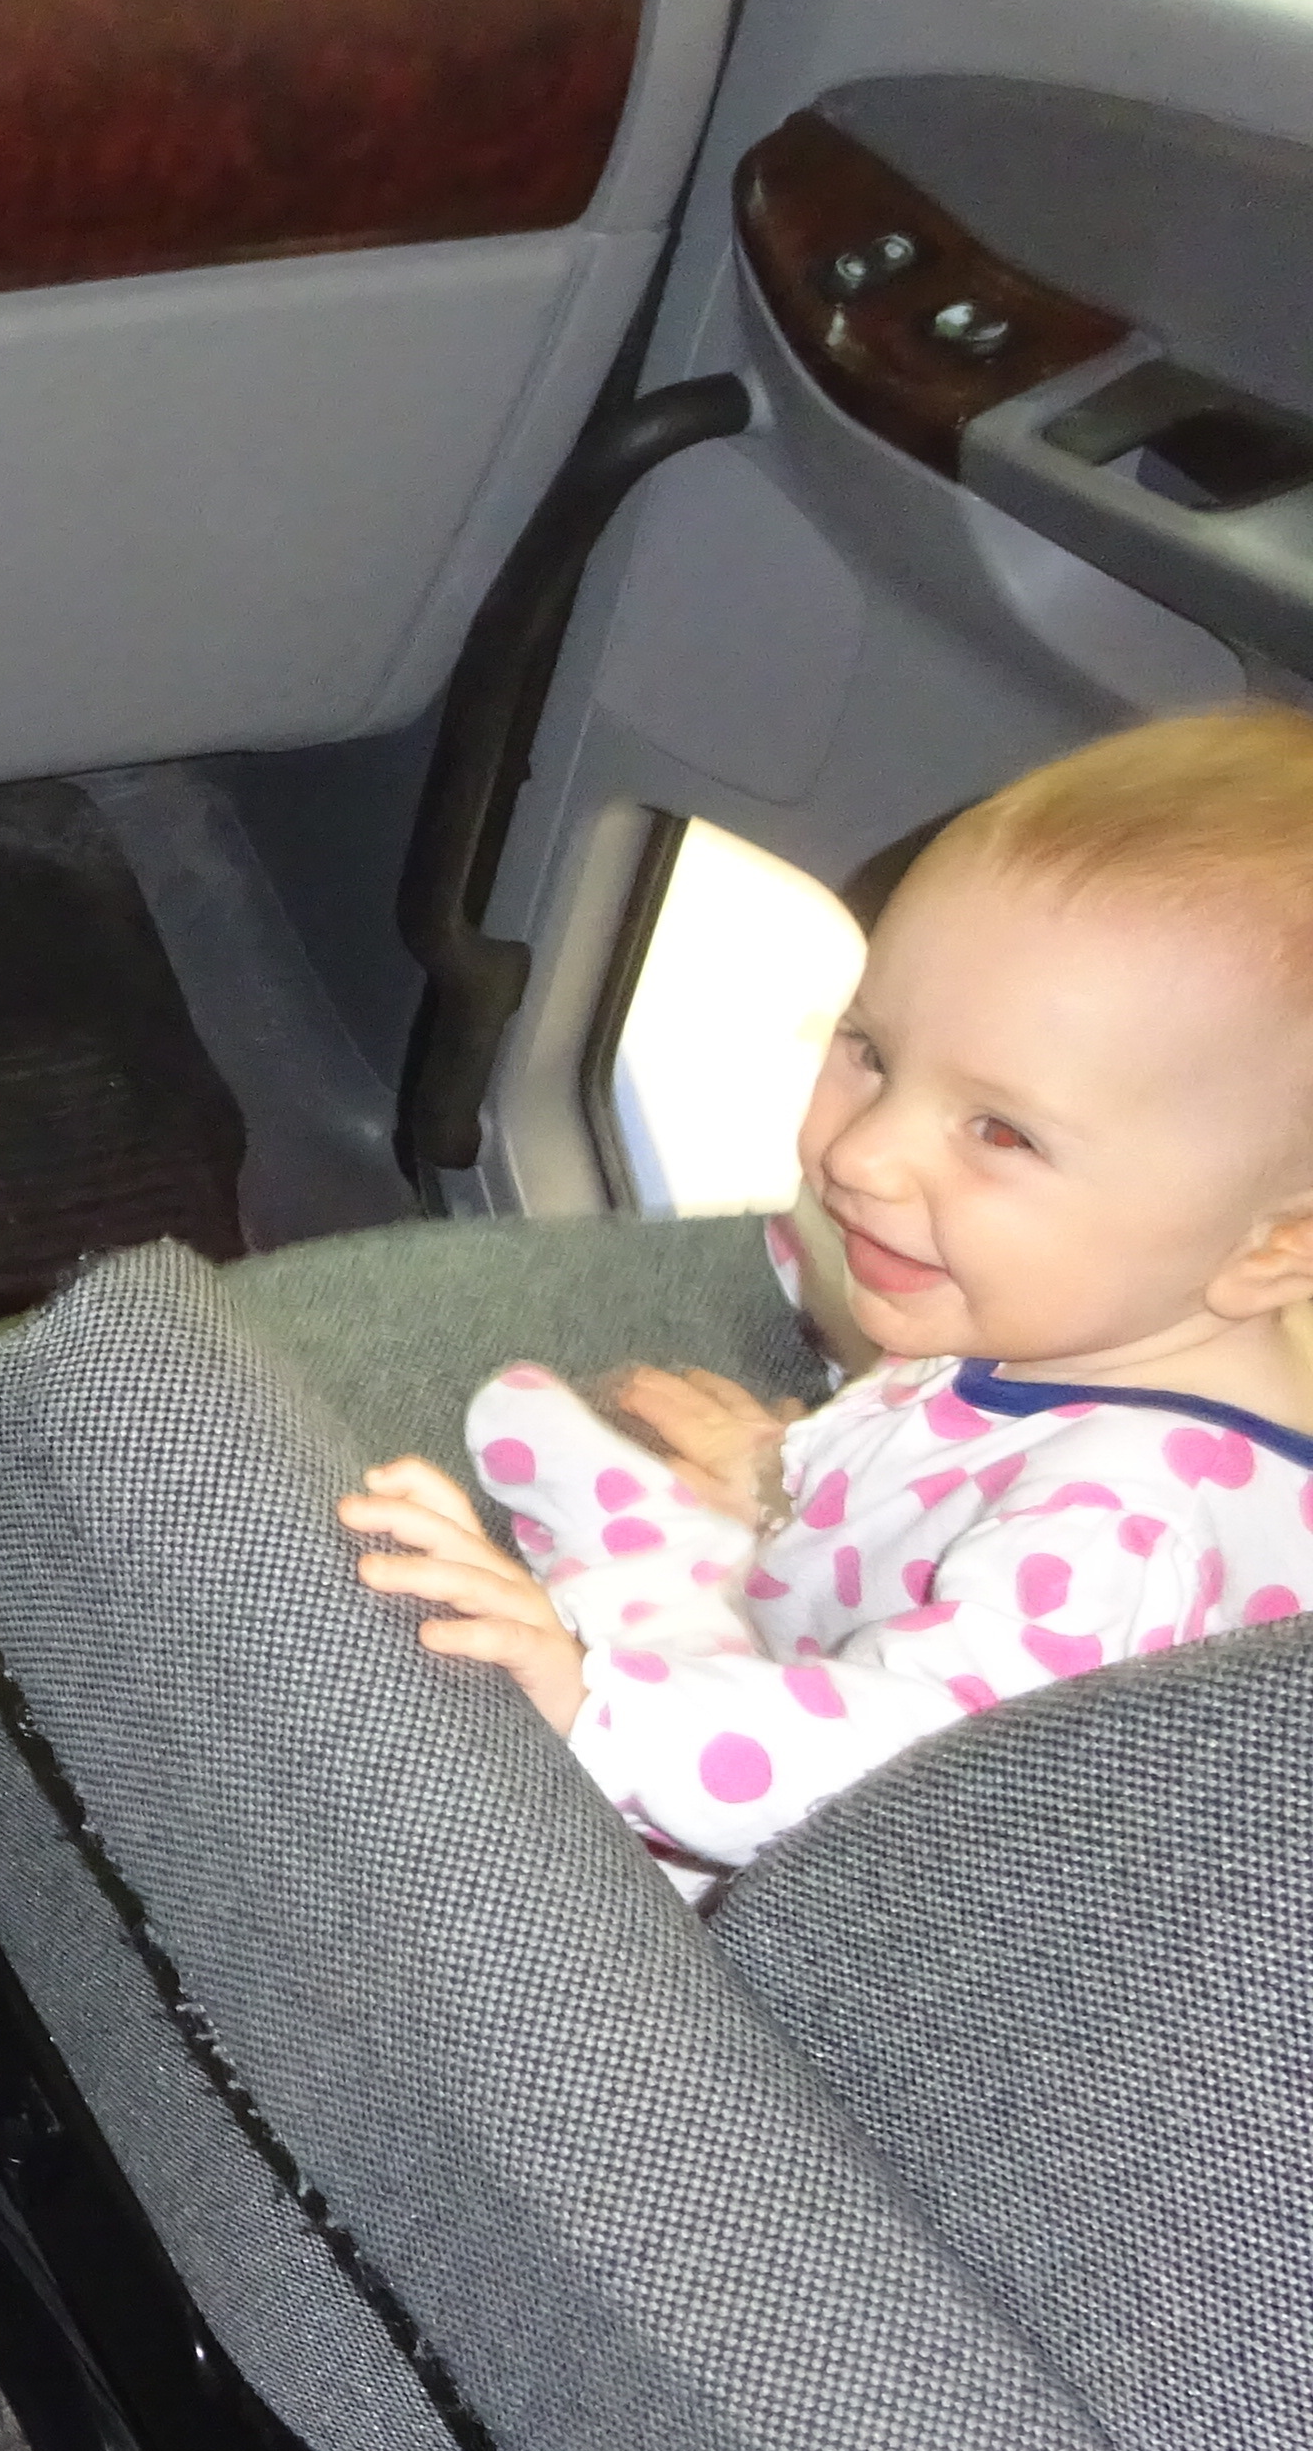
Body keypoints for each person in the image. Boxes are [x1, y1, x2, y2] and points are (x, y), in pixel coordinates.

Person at [343, 707, 1313, 1887]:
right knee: (544, 1422)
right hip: (822, 1626)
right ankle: (706, 1571)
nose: (861, 1154)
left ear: (1280, 1245)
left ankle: (643, 1641)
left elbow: (912, 1785)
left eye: (1002, 1132)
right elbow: (955, 1463)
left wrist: (582, 1694)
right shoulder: (1096, 1315)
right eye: (872, 1051)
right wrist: (788, 1471)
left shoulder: (1127, 1518)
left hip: (815, 1855)